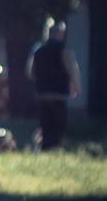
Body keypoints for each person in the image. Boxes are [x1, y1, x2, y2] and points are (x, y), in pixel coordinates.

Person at [26, 19, 81, 151]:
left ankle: (45, 147)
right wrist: (76, 87)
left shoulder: (37, 51)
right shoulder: (65, 51)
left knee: (45, 125)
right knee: (58, 126)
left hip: (43, 94)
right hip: (59, 95)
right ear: (60, 34)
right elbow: (73, 69)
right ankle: (56, 148)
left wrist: (41, 81)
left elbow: (30, 72)